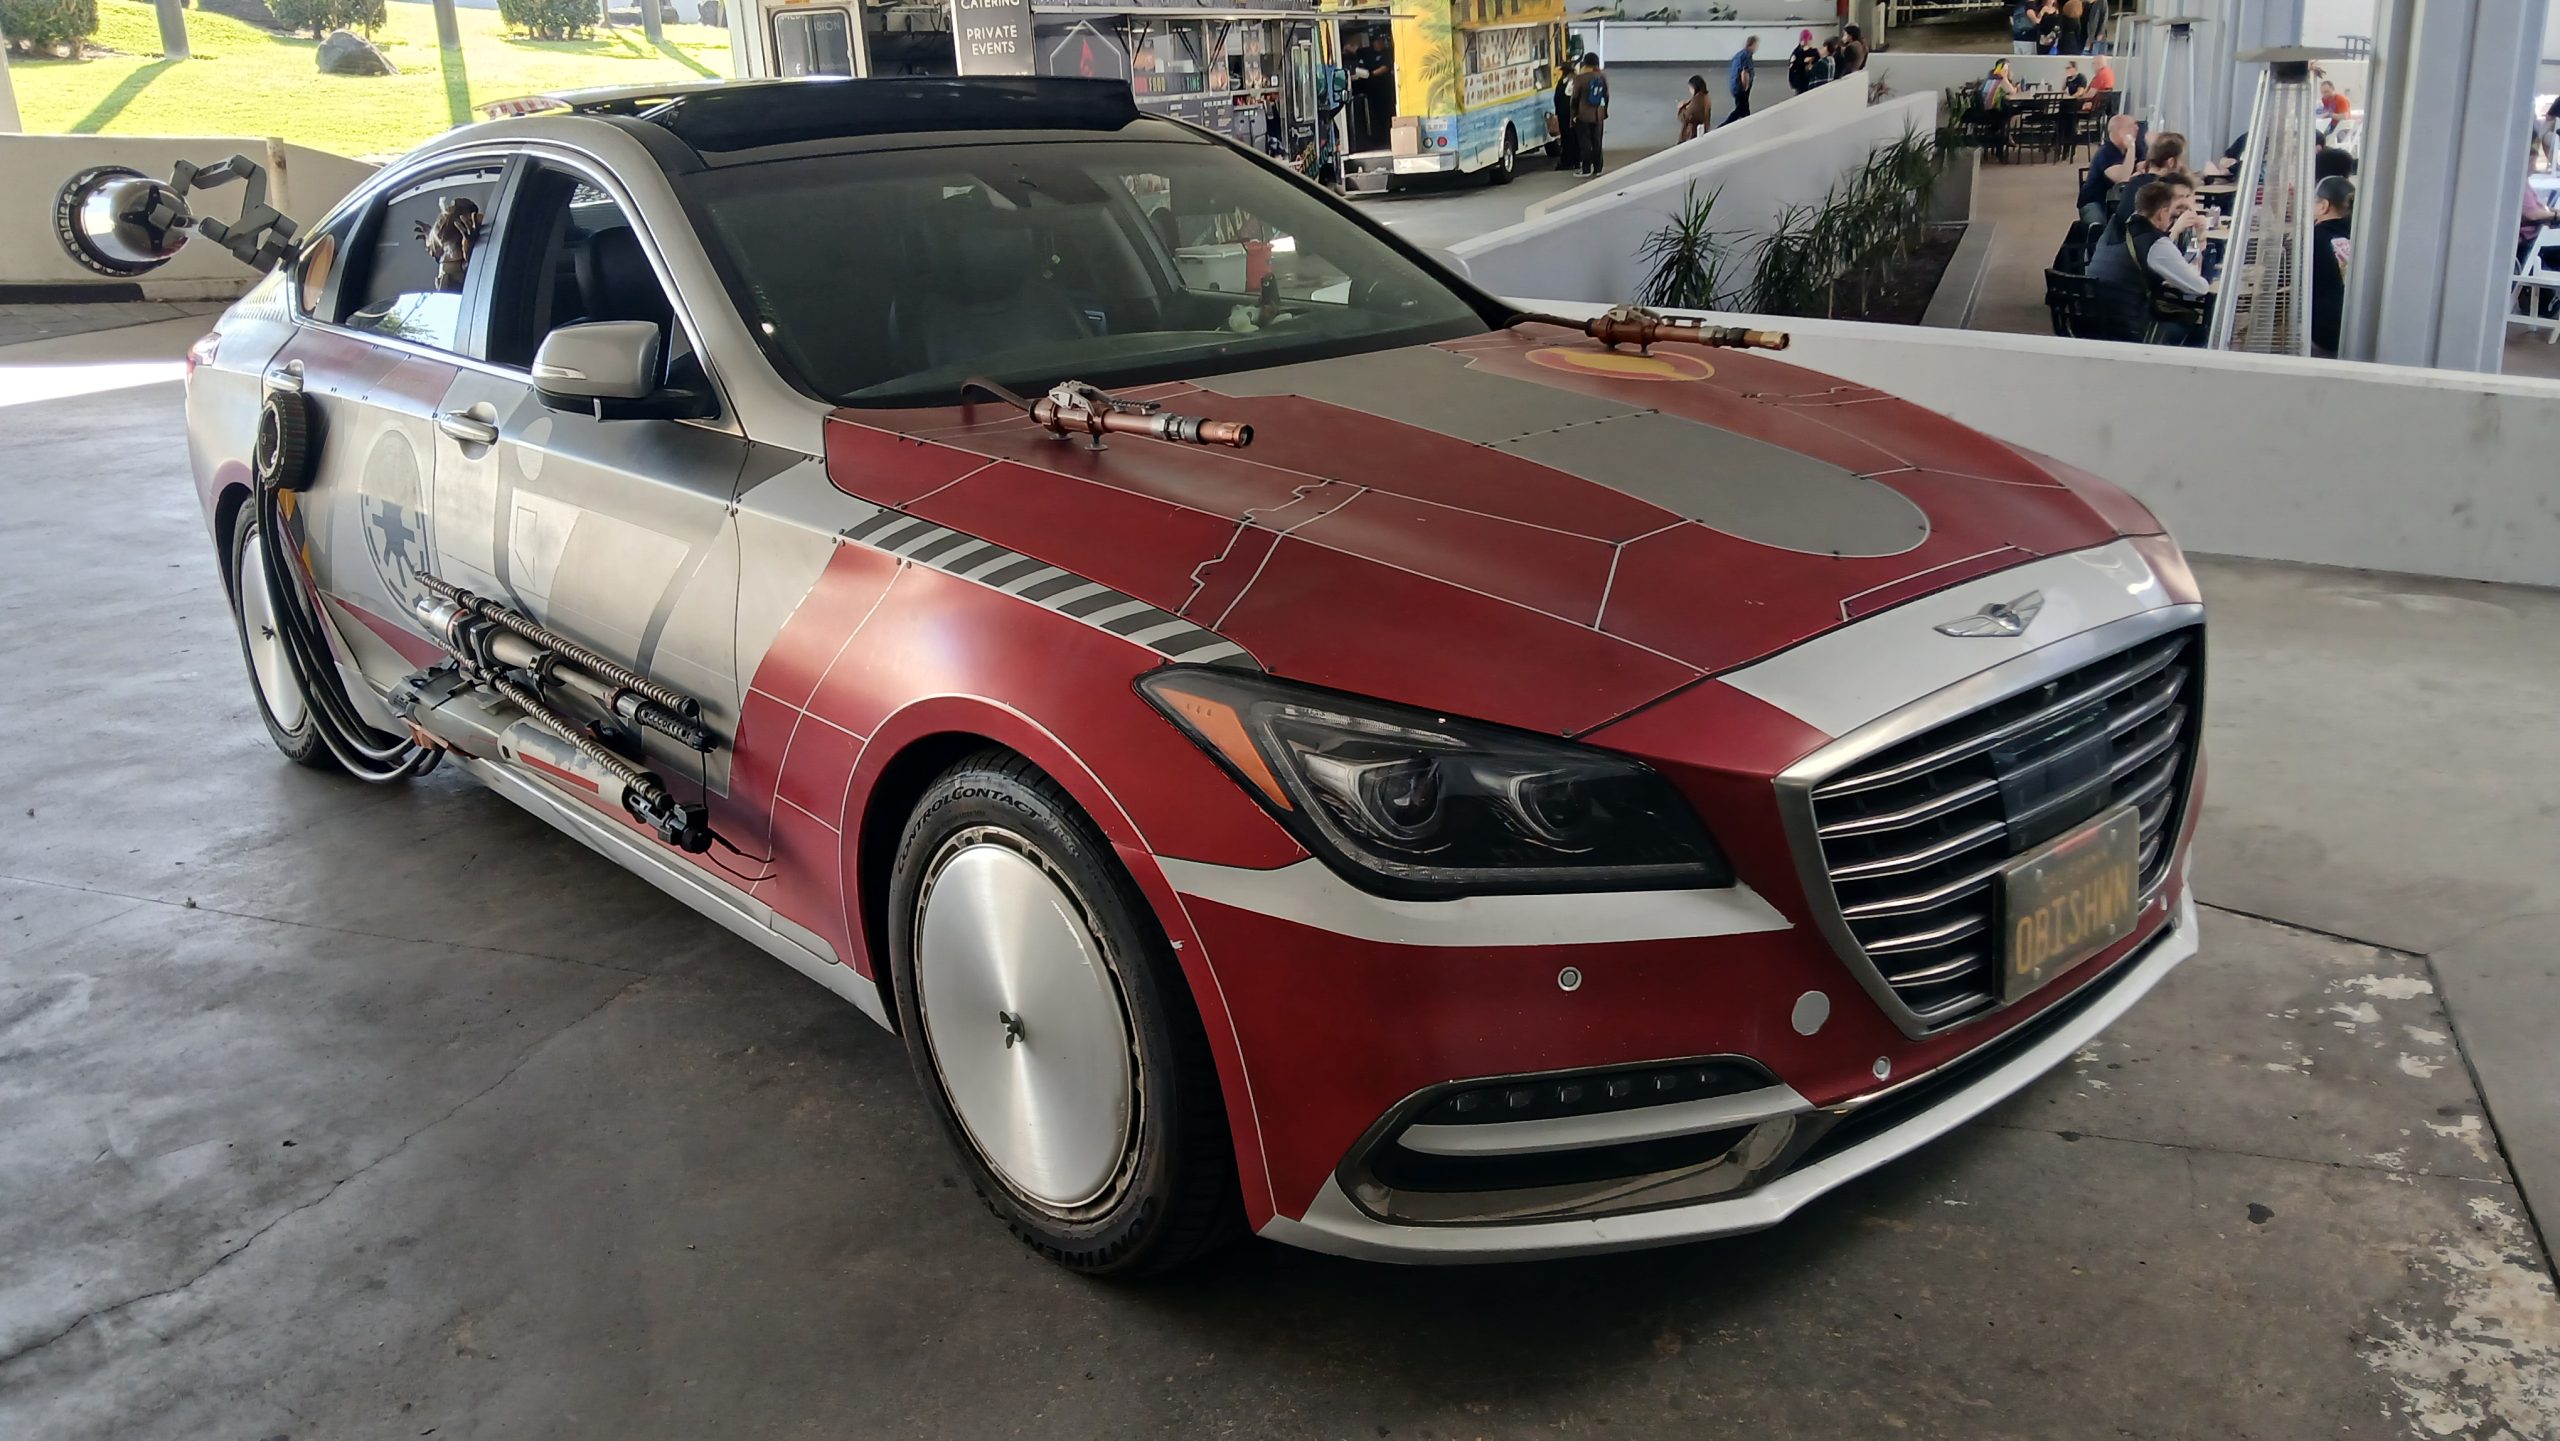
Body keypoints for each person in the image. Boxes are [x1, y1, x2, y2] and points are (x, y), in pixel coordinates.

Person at [2092, 179, 2213, 345]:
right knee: (2199, 330)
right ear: (2162, 212)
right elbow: (2199, 288)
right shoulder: (2155, 243)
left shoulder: (2113, 229)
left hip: (2096, 321)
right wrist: (2200, 241)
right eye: (2170, 214)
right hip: (2130, 328)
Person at [2309, 175, 2353, 355]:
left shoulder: (2312, 239)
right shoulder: (2361, 233)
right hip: (2353, 332)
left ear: (2324, 206)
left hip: (2324, 338)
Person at [2080, 111, 2144, 226]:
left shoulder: (2137, 149)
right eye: (2131, 126)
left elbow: (2146, 168)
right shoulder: (2106, 152)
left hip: (2120, 200)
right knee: (2097, 228)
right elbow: (2122, 178)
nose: (2137, 128)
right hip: (2095, 201)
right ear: (2120, 131)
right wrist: (2131, 147)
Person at [1568, 52, 1610, 177]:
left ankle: (1586, 169)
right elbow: (1606, 95)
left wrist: (1573, 114)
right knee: (1597, 142)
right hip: (1598, 115)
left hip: (1583, 115)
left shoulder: (1581, 78)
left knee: (1585, 142)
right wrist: (1604, 110)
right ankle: (1598, 168)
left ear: (1585, 64)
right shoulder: (1602, 76)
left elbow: (1575, 98)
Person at [1553, 59, 1580, 171]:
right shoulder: (1577, 79)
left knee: (1566, 138)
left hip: (1564, 114)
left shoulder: (1562, 81)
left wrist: (1557, 112)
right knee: (1576, 137)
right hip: (1576, 113)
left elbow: (1557, 98)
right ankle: (1577, 161)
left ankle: (1567, 162)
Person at [1729, 35, 1758, 121]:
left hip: (1735, 85)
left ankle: (1747, 120)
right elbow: (1744, 73)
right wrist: (1746, 87)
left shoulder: (1740, 54)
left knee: (1744, 108)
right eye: (1756, 45)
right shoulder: (1746, 56)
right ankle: (1724, 125)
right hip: (1740, 87)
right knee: (1740, 110)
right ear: (1752, 45)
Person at [1676, 72, 1711, 142]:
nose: (1689, 90)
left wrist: (1681, 108)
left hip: (1692, 134)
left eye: (1690, 88)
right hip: (1702, 129)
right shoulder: (1704, 97)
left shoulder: (1697, 100)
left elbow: (1686, 117)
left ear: (1694, 88)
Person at [1788, 29, 1819, 95]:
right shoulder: (1797, 53)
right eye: (1809, 40)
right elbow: (1793, 67)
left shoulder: (1813, 52)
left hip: (1807, 80)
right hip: (1802, 81)